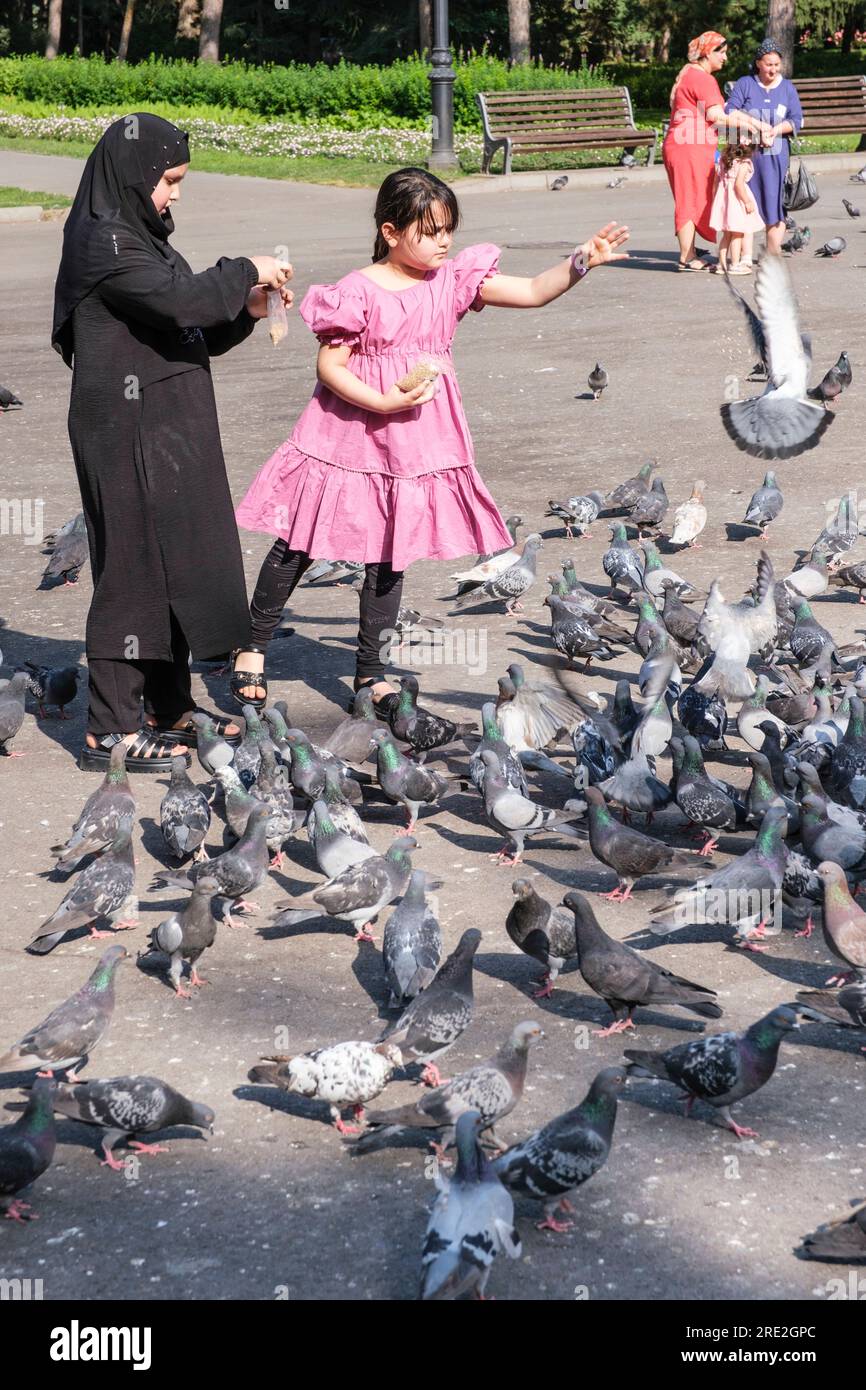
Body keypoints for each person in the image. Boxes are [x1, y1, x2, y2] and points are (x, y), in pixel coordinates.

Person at [234, 167, 628, 712]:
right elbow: (330, 366)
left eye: (449, 229)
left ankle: (370, 671)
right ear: (392, 233)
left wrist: (582, 259)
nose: (444, 241)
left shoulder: (451, 281)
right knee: (302, 538)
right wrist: (382, 402)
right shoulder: (356, 291)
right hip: (347, 431)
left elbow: (535, 291)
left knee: (390, 553)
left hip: (416, 440)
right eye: (430, 230)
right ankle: (253, 646)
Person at [52, 113, 293, 772]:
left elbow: (190, 324)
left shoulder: (143, 239)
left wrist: (244, 308)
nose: (175, 194)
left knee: (173, 568)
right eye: (169, 180)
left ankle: (165, 706)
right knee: (132, 571)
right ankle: (111, 730)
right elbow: (182, 300)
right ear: (134, 173)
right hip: (123, 429)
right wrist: (246, 266)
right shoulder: (104, 241)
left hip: (166, 429)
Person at [663, 31, 772, 271]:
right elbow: (716, 116)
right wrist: (749, 126)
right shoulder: (703, 79)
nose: (725, 58)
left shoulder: (691, 74)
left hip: (686, 146)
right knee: (688, 200)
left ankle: (689, 254)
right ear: (707, 53)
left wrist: (759, 124)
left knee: (692, 199)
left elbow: (724, 110)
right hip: (688, 147)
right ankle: (687, 258)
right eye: (720, 53)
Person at [725, 38, 804, 257]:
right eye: (769, 64)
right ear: (759, 63)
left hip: (776, 156)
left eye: (777, 65)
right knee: (743, 202)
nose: (773, 69)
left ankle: (772, 254)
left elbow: (796, 120)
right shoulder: (745, 84)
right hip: (746, 155)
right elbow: (731, 111)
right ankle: (743, 256)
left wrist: (774, 131)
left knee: (774, 203)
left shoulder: (787, 88)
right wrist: (756, 128)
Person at [709, 141, 765, 273]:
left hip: (724, 201)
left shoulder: (723, 162)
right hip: (736, 202)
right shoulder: (743, 164)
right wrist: (747, 201)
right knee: (737, 233)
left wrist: (714, 199)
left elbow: (716, 182)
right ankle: (735, 264)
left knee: (726, 234)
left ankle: (721, 264)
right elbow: (738, 185)